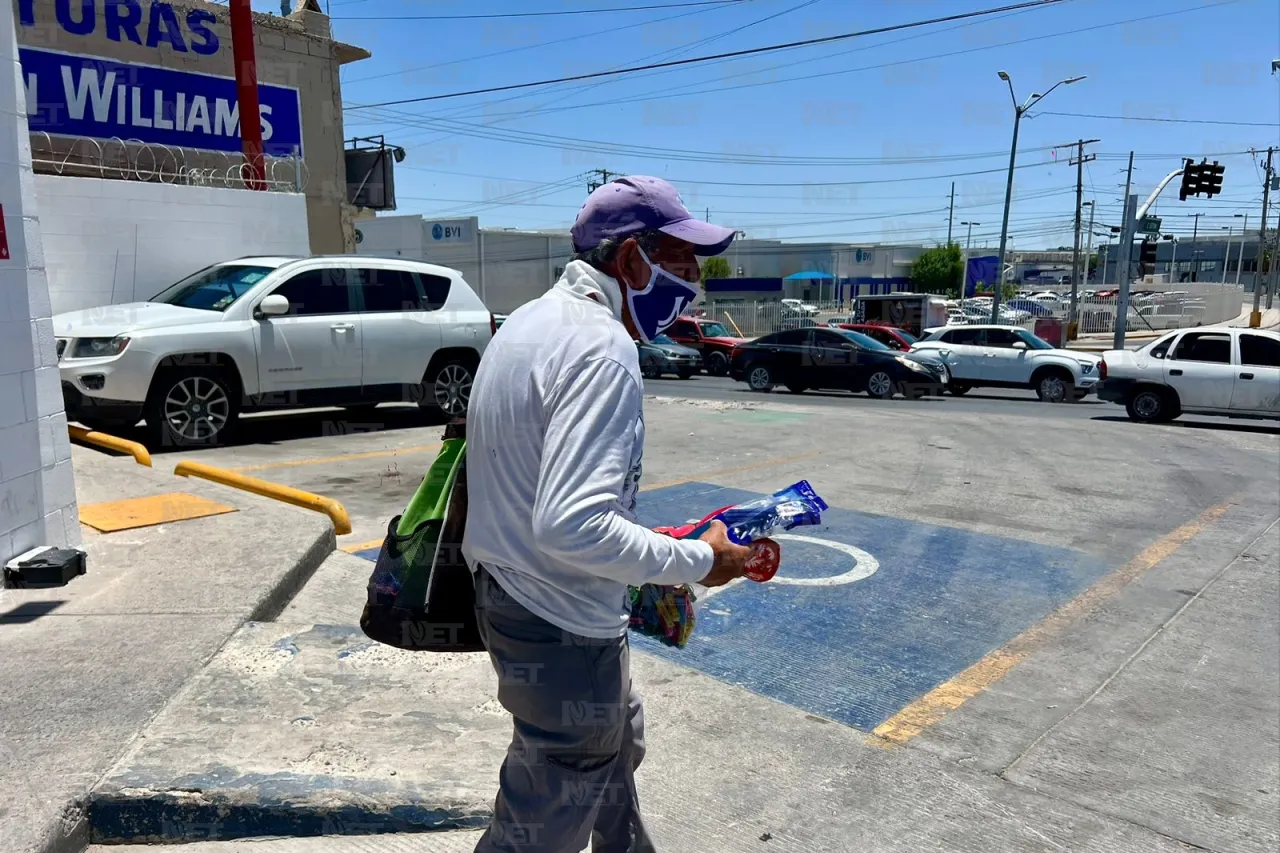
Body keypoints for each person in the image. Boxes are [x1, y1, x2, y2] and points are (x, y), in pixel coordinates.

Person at [462, 176, 753, 853]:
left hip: (515, 598)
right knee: (543, 816)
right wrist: (701, 560)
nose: (695, 282)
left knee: (617, 744)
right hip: (561, 621)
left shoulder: (529, 324)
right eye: (684, 261)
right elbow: (572, 524)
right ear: (630, 261)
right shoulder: (601, 348)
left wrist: (647, 545)